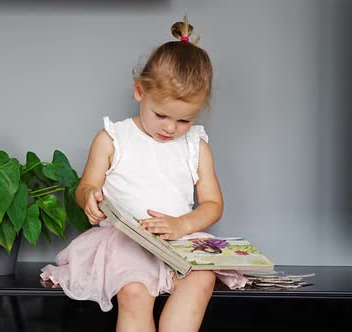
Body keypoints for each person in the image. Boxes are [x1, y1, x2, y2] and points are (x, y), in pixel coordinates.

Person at [41, 17, 242, 332]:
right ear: (139, 91)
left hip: (177, 240)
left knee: (202, 279)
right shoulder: (113, 138)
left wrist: (181, 225)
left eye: (183, 120)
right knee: (134, 291)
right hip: (125, 244)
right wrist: (89, 199)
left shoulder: (196, 146)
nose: (170, 128)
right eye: (161, 115)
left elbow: (213, 204)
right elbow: (87, 185)